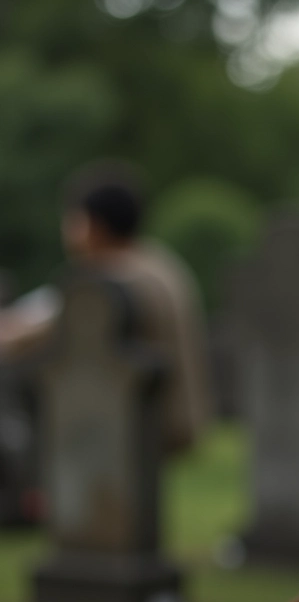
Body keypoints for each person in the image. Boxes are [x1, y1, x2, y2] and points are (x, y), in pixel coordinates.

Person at [0, 162, 212, 454]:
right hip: (174, 419)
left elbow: (31, 333)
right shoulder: (157, 263)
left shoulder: (115, 278)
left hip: (144, 428)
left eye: (72, 219)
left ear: (92, 225)